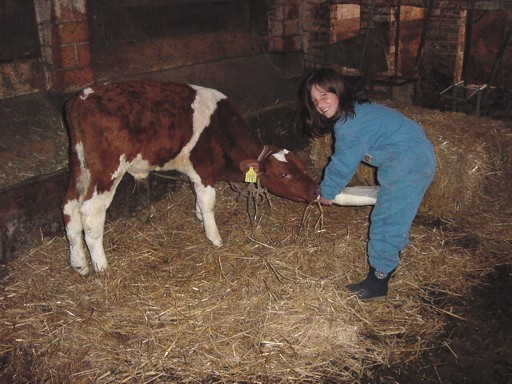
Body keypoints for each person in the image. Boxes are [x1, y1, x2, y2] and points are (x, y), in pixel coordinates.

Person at [299, 68, 436, 300]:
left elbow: (342, 163)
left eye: (324, 95)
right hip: (411, 158)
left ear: (338, 90)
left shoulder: (350, 125)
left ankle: (377, 284)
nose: (320, 104)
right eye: (314, 100)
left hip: (407, 163)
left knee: (386, 219)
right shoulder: (358, 113)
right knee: (395, 213)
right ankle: (391, 259)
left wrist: (328, 192)